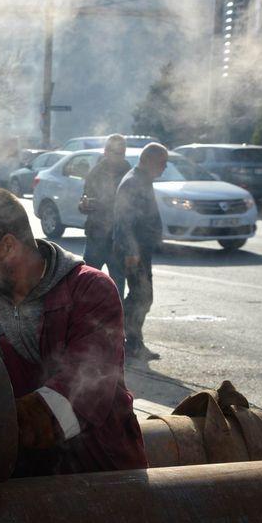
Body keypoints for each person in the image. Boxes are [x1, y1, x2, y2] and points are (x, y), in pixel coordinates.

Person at [0, 188, 147, 477]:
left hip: (99, 476)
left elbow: (82, 395)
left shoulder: (91, 291)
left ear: (7, 247)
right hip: (19, 477)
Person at [113, 142, 168, 360]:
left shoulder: (143, 180)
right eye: (161, 162)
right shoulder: (133, 182)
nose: (164, 167)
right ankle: (127, 340)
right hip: (133, 251)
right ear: (148, 160)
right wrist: (131, 251)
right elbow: (124, 220)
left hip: (140, 250)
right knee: (142, 296)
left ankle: (129, 340)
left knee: (140, 296)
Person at [79, 134, 131, 295]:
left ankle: (116, 318)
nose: (119, 156)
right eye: (116, 152)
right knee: (87, 284)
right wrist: (84, 205)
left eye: (122, 153)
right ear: (106, 152)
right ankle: (87, 318)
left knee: (117, 285)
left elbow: (132, 207)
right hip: (96, 236)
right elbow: (85, 199)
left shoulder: (129, 174)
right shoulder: (96, 172)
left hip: (118, 239)